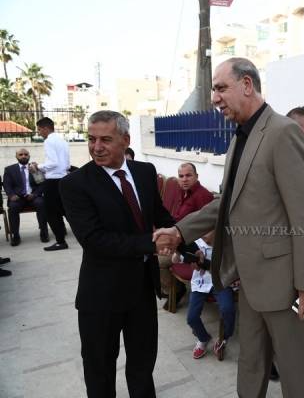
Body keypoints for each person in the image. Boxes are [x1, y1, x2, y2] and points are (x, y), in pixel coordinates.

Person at [153, 57, 304, 398]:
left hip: (284, 282)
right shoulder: (239, 138)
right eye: (213, 90)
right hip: (248, 278)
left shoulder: (283, 132)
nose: (214, 98)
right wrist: (180, 231)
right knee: (251, 361)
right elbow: (225, 203)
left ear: (247, 85)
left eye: (220, 88)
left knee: (293, 366)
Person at [59, 110, 175, 397]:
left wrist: (186, 240)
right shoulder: (74, 184)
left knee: (142, 364)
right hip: (101, 295)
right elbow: (94, 240)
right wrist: (151, 244)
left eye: (106, 140)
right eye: (91, 139)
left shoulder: (145, 172)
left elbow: (161, 216)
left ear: (126, 140)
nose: (96, 147)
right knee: (99, 369)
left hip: (142, 290)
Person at [159, 162, 214, 309]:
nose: (184, 179)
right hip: (178, 239)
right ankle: (173, 289)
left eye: (188, 175)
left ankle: (177, 290)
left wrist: (180, 247)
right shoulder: (184, 193)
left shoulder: (203, 196)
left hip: (191, 245)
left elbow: (208, 230)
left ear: (196, 176)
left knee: (159, 261)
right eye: (181, 176)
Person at [174, 231, 236, 360]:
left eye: (208, 230)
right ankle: (203, 338)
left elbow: (234, 265)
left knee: (228, 309)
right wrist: (177, 254)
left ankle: (224, 337)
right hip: (200, 284)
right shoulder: (195, 245)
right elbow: (176, 259)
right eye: (203, 230)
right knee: (191, 317)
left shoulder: (225, 245)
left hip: (221, 283)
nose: (204, 234)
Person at [32, 117, 70, 251]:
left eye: (39, 130)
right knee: (66, 210)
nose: (39, 133)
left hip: (53, 181)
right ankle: (84, 236)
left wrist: (38, 166)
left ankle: (60, 242)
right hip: (63, 178)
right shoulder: (62, 140)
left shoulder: (49, 141)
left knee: (51, 213)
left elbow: (53, 163)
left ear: (45, 128)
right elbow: (66, 164)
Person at [3, 148, 48, 246]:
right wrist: (11, 195)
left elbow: (42, 184)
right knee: (13, 207)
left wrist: (35, 194)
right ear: (16, 156)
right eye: (21, 154)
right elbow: (7, 185)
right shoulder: (9, 169)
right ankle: (15, 235)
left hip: (33, 196)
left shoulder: (34, 167)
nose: (23, 156)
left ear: (29, 156)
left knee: (41, 203)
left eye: (26, 154)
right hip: (18, 197)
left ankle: (43, 232)